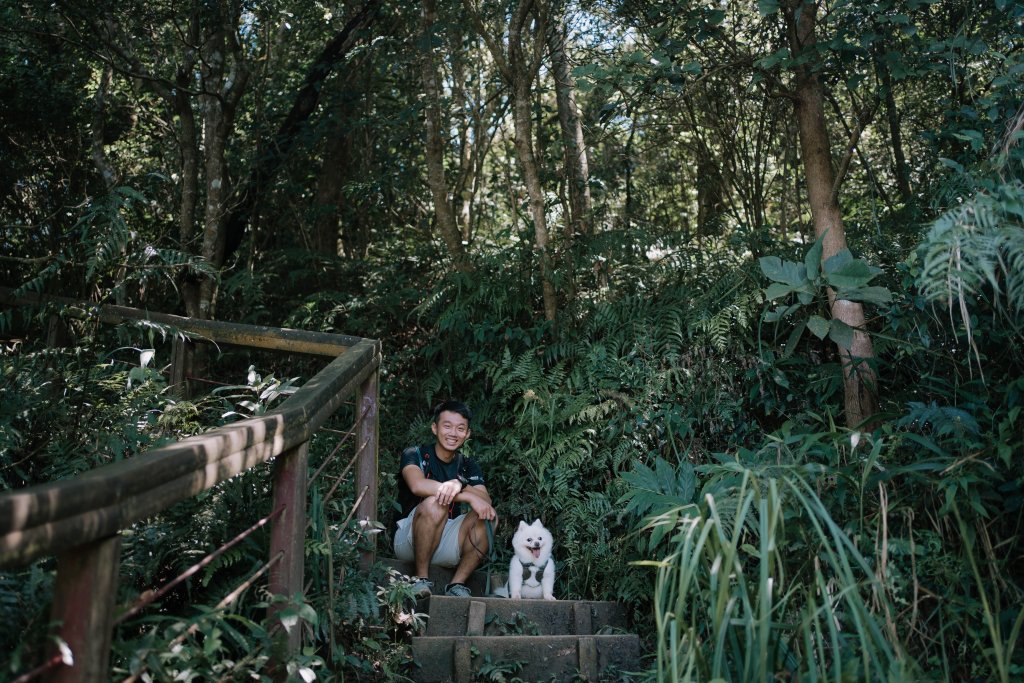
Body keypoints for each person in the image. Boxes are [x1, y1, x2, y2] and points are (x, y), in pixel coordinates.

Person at [394, 400, 497, 598]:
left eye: (460, 428)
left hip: (447, 542)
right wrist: (466, 495)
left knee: (489, 516)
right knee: (436, 503)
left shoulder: (467, 465)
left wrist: (460, 483)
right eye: (447, 426)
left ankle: (456, 585)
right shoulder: (415, 454)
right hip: (409, 540)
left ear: (467, 434)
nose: (453, 433)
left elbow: (485, 500)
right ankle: (421, 579)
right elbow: (418, 485)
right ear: (435, 428)